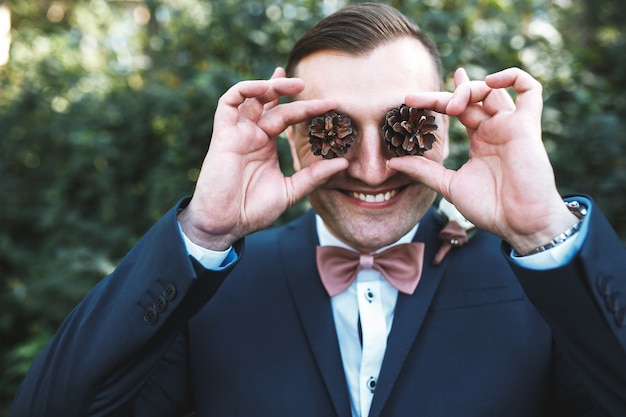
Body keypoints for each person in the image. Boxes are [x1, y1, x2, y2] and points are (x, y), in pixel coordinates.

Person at [9, 3, 626, 416]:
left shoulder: (542, 280)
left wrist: (545, 228)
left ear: (450, 121)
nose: (371, 168)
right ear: (286, 125)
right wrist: (203, 229)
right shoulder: (206, 288)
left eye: (403, 128)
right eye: (333, 129)